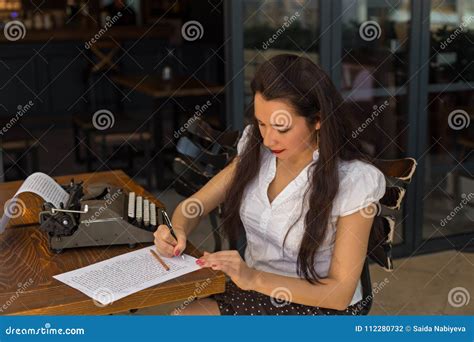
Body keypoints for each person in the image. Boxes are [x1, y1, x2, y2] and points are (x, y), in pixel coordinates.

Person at [154, 54, 386, 315]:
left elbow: (339, 294)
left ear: (318, 119)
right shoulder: (257, 150)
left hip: (319, 306)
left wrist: (252, 278)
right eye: (261, 123)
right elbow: (195, 205)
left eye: (281, 127)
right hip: (255, 290)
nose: (268, 139)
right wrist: (178, 230)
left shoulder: (353, 181)